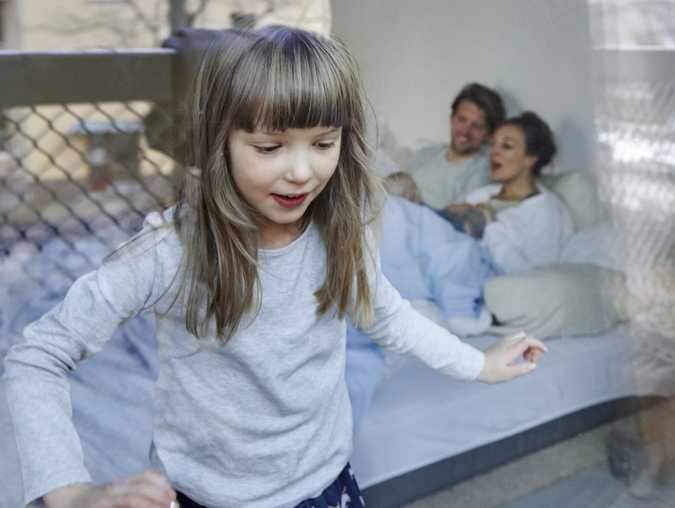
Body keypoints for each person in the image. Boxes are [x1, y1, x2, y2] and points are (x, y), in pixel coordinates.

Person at [3, 27, 546, 508]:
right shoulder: (170, 251)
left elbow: (388, 318)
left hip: (328, 487)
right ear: (219, 141)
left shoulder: (342, 231)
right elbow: (37, 356)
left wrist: (478, 363)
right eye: (269, 147)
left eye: (323, 143)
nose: (302, 173)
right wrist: (69, 491)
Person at [445, 111, 574, 273]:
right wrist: (450, 213)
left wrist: (489, 225)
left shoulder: (547, 210)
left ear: (530, 159)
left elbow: (534, 276)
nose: (494, 152)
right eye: (493, 145)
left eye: (506, 146)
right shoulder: (480, 195)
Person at [403, 82, 506, 209]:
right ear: (452, 119)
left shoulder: (481, 172)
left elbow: (454, 217)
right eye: (462, 119)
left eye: (476, 126)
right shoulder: (426, 154)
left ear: (489, 135)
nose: (465, 131)